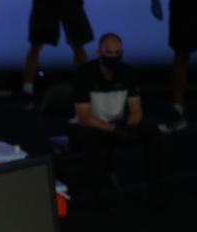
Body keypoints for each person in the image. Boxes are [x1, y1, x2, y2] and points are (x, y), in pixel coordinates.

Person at [68, 33, 163, 205]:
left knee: (152, 131)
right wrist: (113, 130)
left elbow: (136, 110)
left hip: (117, 122)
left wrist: (128, 125)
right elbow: (84, 117)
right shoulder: (84, 74)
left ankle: (155, 190)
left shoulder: (128, 73)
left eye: (117, 53)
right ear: (99, 52)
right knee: (92, 139)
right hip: (90, 125)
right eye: (109, 53)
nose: (113, 57)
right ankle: (100, 195)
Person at [22, 0, 94, 108]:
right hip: (44, 4)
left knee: (78, 45)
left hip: (70, 4)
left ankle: (82, 91)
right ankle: (27, 90)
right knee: (35, 45)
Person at [158, 0, 197, 132]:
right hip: (183, 6)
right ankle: (177, 113)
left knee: (180, 58)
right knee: (180, 56)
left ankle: (177, 112)